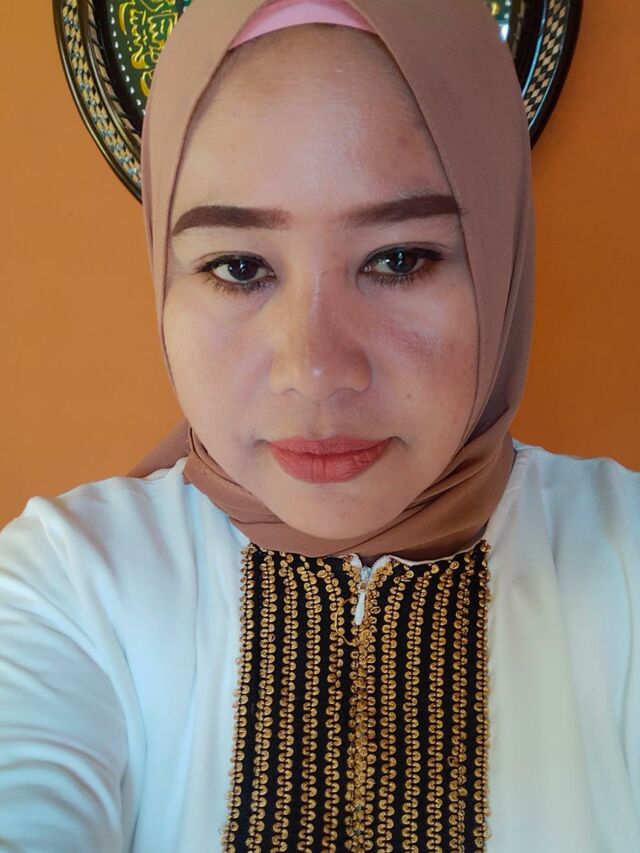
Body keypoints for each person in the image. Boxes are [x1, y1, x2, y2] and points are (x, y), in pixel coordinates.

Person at [0, 0, 638, 850]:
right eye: (238, 266)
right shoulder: (70, 584)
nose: (315, 370)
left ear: (501, 258)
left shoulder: (624, 560)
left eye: (399, 259)